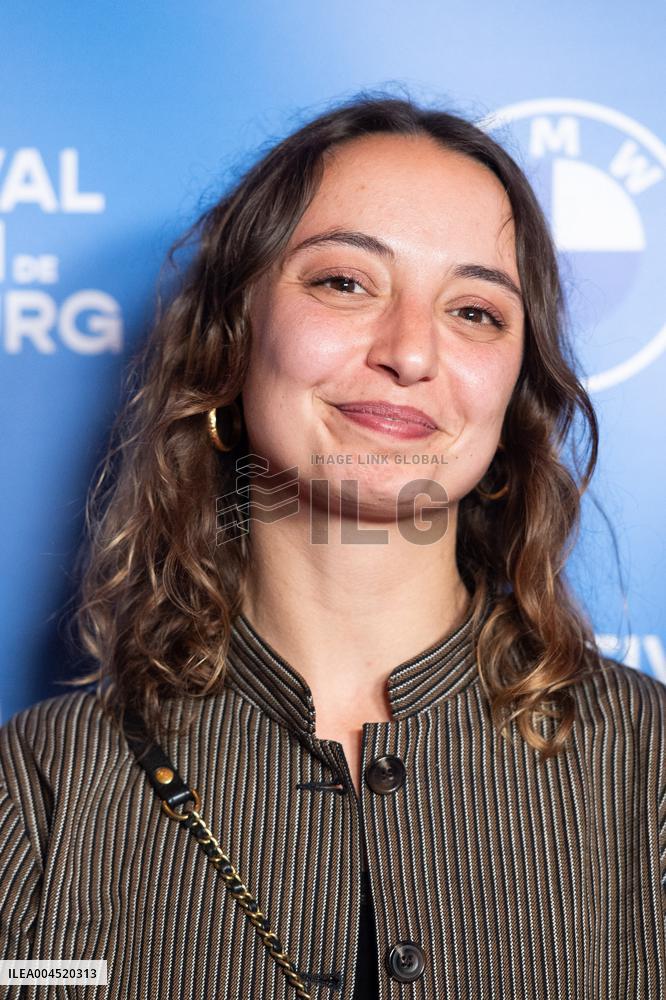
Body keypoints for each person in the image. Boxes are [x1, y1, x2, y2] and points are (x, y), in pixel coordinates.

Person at [0, 91, 664, 999]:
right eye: (345, 282)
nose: (410, 352)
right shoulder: (40, 786)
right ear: (232, 338)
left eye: (475, 311)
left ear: (516, 394)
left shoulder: (647, 767)